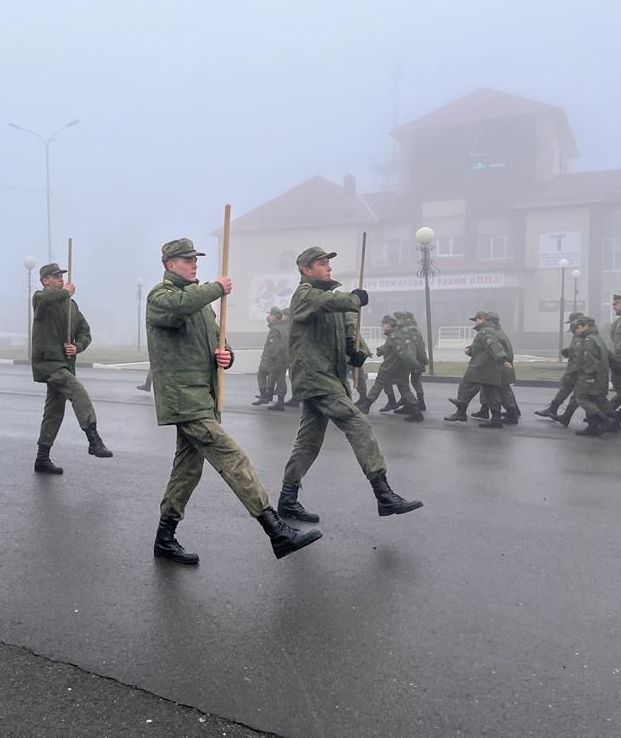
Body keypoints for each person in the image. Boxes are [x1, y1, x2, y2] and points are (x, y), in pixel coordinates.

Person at [146, 238, 321, 565]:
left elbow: (217, 342)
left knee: (187, 470)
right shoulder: (161, 297)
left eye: (195, 258)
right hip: (184, 398)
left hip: (202, 394)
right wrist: (216, 287)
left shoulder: (202, 303)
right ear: (170, 264)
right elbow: (180, 307)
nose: (193, 263)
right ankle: (276, 530)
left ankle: (164, 539)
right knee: (232, 456)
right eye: (186, 259)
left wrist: (225, 355)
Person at [276, 246, 423, 522]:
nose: (328, 267)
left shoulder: (329, 299)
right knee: (357, 422)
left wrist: (354, 350)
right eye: (322, 263)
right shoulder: (304, 295)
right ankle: (383, 493)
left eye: (328, 263)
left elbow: (345, 326)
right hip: (315, 377)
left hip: (329, 376)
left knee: (308, 442)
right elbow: (326, 304)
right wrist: (353, 298)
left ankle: (287, 500)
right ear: (306, 269)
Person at [30, 261, 112, 475]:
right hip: (48, 362)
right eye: (56, 276)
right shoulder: (41, 299)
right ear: (45, 280)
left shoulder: (71, 306)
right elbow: (47, 298)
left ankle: (42, 458)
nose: (61, 279)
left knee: (54, 411)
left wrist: (77, 346)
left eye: (61, 276)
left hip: (65, 363)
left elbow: (85, 331)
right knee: (77, 391)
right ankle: (93, 439)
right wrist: (65, 293)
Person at [443, 312, 511, 427]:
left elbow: (492, 345)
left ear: (482, 319)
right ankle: (496, 419)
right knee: (491, 393)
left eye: (477, 319)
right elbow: (482, 349)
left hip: (481, 367)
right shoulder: (489, 330)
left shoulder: (485, 331)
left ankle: (461, 409)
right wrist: (470, 350)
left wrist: (503, 359)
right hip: (488, 367)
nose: (476, 322)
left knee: (465, 385)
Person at [355, 315, 423, 421]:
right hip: (402, 368)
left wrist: (415, 364)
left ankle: (366, 406)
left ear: (389, 324)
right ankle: (416, 412)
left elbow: (401, 352)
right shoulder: (397, 334)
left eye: (383, 324)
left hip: (391, 368)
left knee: (378, 384)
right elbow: (392, 347)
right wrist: (381, 350)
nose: (382, 326)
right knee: (404, 388)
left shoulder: (394, 336)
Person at [569, 315, 617, 436]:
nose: (576, 331)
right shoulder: (597, 338)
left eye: (578, 328)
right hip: (601, 376)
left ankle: (606, 420)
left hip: (591, 376)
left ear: (586, 326)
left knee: (582, 398)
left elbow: (589, 361)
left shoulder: (588, 340)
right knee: (599, 400)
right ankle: (594, 427)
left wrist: (589, 378)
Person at [535, 311, 584, 422]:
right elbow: (577, 350)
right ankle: (553, 409)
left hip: (579, 369)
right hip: (575, 368)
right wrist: (568, 351)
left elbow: (582, 353)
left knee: (580, 395)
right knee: (566, 387)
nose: (571, 326)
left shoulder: (582, 334)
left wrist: (572, 370)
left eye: (572, 323)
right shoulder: (577, 334)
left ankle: (598, 417)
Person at [252, 307, 288, 409]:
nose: (269, 317)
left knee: (261, 373)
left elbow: (273, 347)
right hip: (285, 358)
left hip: (274, 359)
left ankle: (264, 396)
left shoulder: (275, 329)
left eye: (271, 315)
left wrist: (271, 358)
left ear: (274, 316)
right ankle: (279, 402)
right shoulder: (286, 327)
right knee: (280, 379)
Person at [609, 293, 621, 413]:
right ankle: (606, 415)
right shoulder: (617, 322)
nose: (613, 306)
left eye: (616, 304)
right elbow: (614, 339)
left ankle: (605, 415)